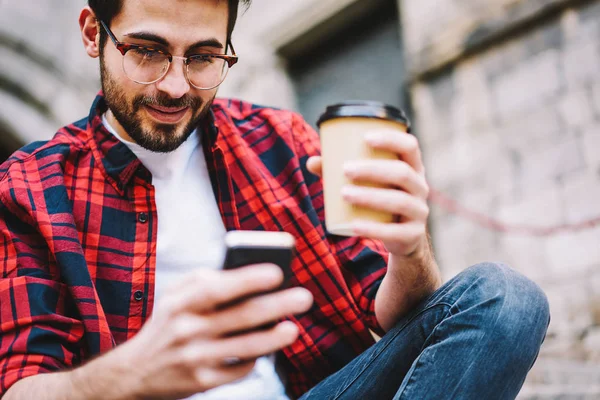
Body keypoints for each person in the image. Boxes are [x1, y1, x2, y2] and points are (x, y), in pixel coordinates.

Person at [0, 0, 550, 399]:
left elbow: (386, 315)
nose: (175, 86)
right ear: (94, 32)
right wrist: (135, 371)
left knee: (506, 299)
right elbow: (22, 388)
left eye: (203, 58)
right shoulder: (28, 186)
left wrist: (410, 253)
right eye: (147, 52)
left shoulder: (280, 140)